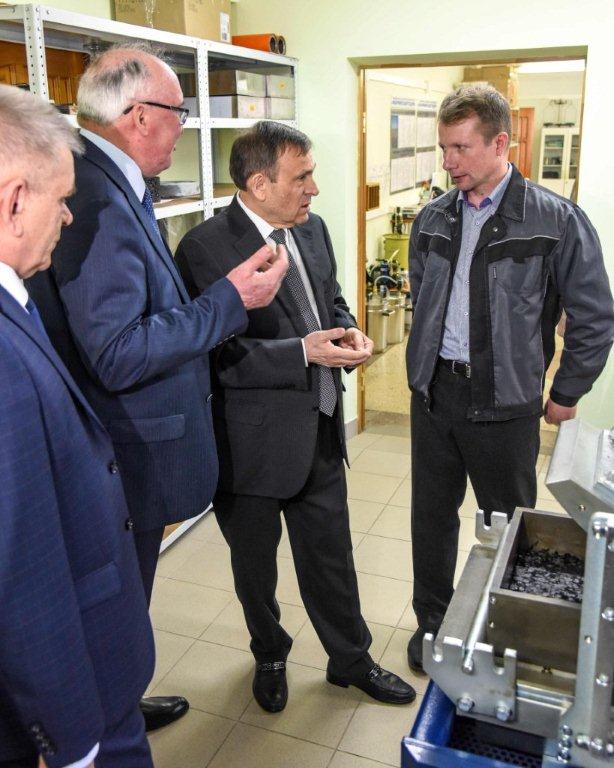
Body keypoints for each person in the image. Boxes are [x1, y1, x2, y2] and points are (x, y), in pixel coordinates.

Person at [26, 45, 288, 732]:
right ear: (141, 116)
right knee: (116, 610)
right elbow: (116, 353)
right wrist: (230, 299)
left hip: (129, 450)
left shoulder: (110, 183)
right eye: (179, 111)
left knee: (123, 608)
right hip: (126, 455)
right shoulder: (94, 197)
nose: (184, 126)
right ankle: (110, 722)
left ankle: (118, 701)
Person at [175, 121, 415, 712]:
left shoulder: (313, 229)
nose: (314, 188)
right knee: (255, 568)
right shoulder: (204, 248)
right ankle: (270, 653)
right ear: (260, 184)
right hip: (250, 446)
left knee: (332, 557)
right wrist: (303, 353)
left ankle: (350, 659)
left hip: (320, 427)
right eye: (301, 177)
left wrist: (349, 330)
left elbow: (329, 300)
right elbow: (214, 354)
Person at [405, 84, 614, 672]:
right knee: (431, 520)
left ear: (501, 144)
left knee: (512, 526)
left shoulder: (556, 220)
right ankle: (432, 625)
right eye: (444, 148)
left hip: (505, 403)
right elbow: (423, 294)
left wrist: (567, 390)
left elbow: (595, 315)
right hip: (435, 396)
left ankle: (509, 636)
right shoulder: (434, 218)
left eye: (461, 148)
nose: (448, 162)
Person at [0, 84, 156, 768]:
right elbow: (18, 569)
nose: (68, 215)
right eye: (60, 199)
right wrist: (69, 740)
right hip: (77, 701)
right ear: (14, 202)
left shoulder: (17, 300)